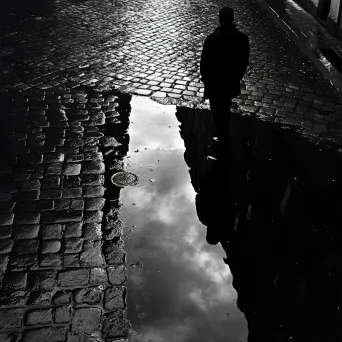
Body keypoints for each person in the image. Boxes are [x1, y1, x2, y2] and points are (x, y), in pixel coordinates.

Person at [200, 6, 250, 157]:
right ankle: (223, 134)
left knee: (216, 109)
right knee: (226, 106)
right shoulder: (242, 38)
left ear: (220, 19)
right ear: (232, 19)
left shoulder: (211, 38)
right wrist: (238, 76)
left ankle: (222, 137)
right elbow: (244, 61)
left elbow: (204, 62)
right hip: (230, 80)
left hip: (214, 82)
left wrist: (206, 78)